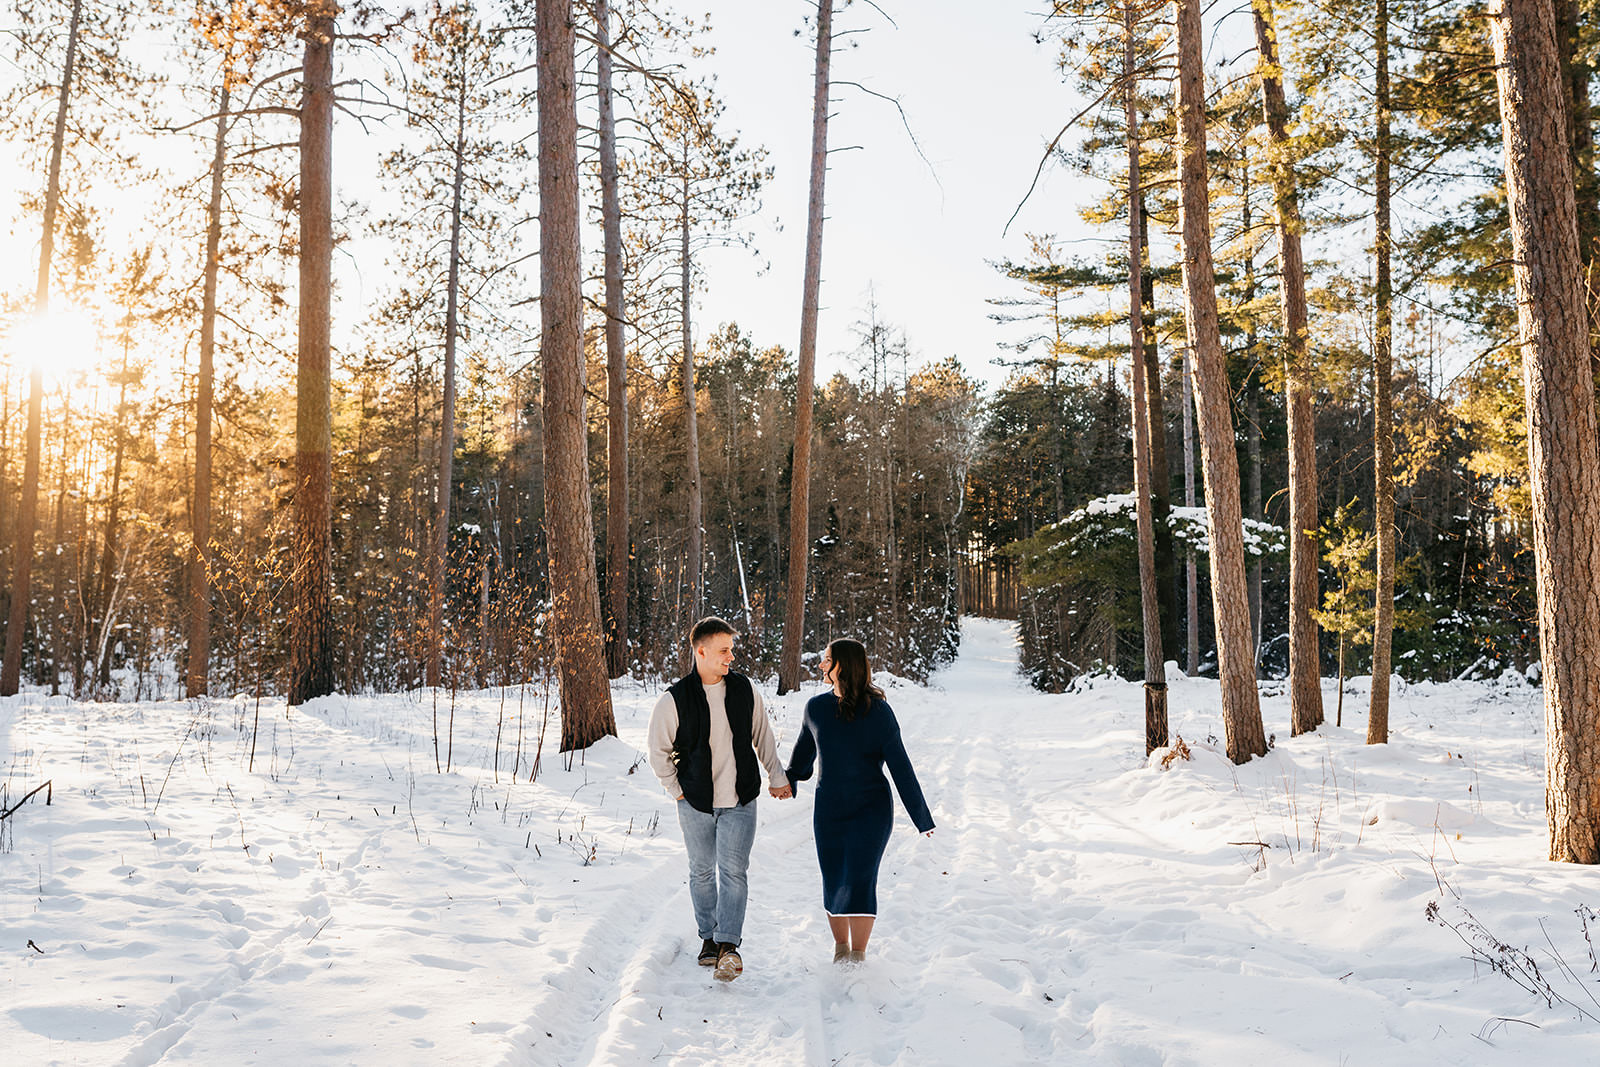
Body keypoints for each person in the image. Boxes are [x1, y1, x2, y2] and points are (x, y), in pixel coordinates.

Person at [648, 616, 792, 982]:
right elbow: (658, 751)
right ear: (702, 651)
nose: (731, 657)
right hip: (694, 801)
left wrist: (776, 776)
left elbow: (763, 735)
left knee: (733, 872)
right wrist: (676, 789)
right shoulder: (674, 699)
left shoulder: (744, 689)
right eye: (724, 650)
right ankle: (708, 939)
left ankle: (729, 945)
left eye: (731, 649)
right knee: (701, 872)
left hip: (740, 799)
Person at [785, 638, 934, 964]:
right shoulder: (816, 709)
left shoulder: (878, 712)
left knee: (861, 878)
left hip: (871, 810)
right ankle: (840, 948)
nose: (822, 665)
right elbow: (802, 758)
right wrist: (789, 780)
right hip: (829, 810)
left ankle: (859, 953)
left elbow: (901, 767)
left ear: (844, 665)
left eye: (827, 659)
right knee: (834, 876)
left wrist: (921, 817)